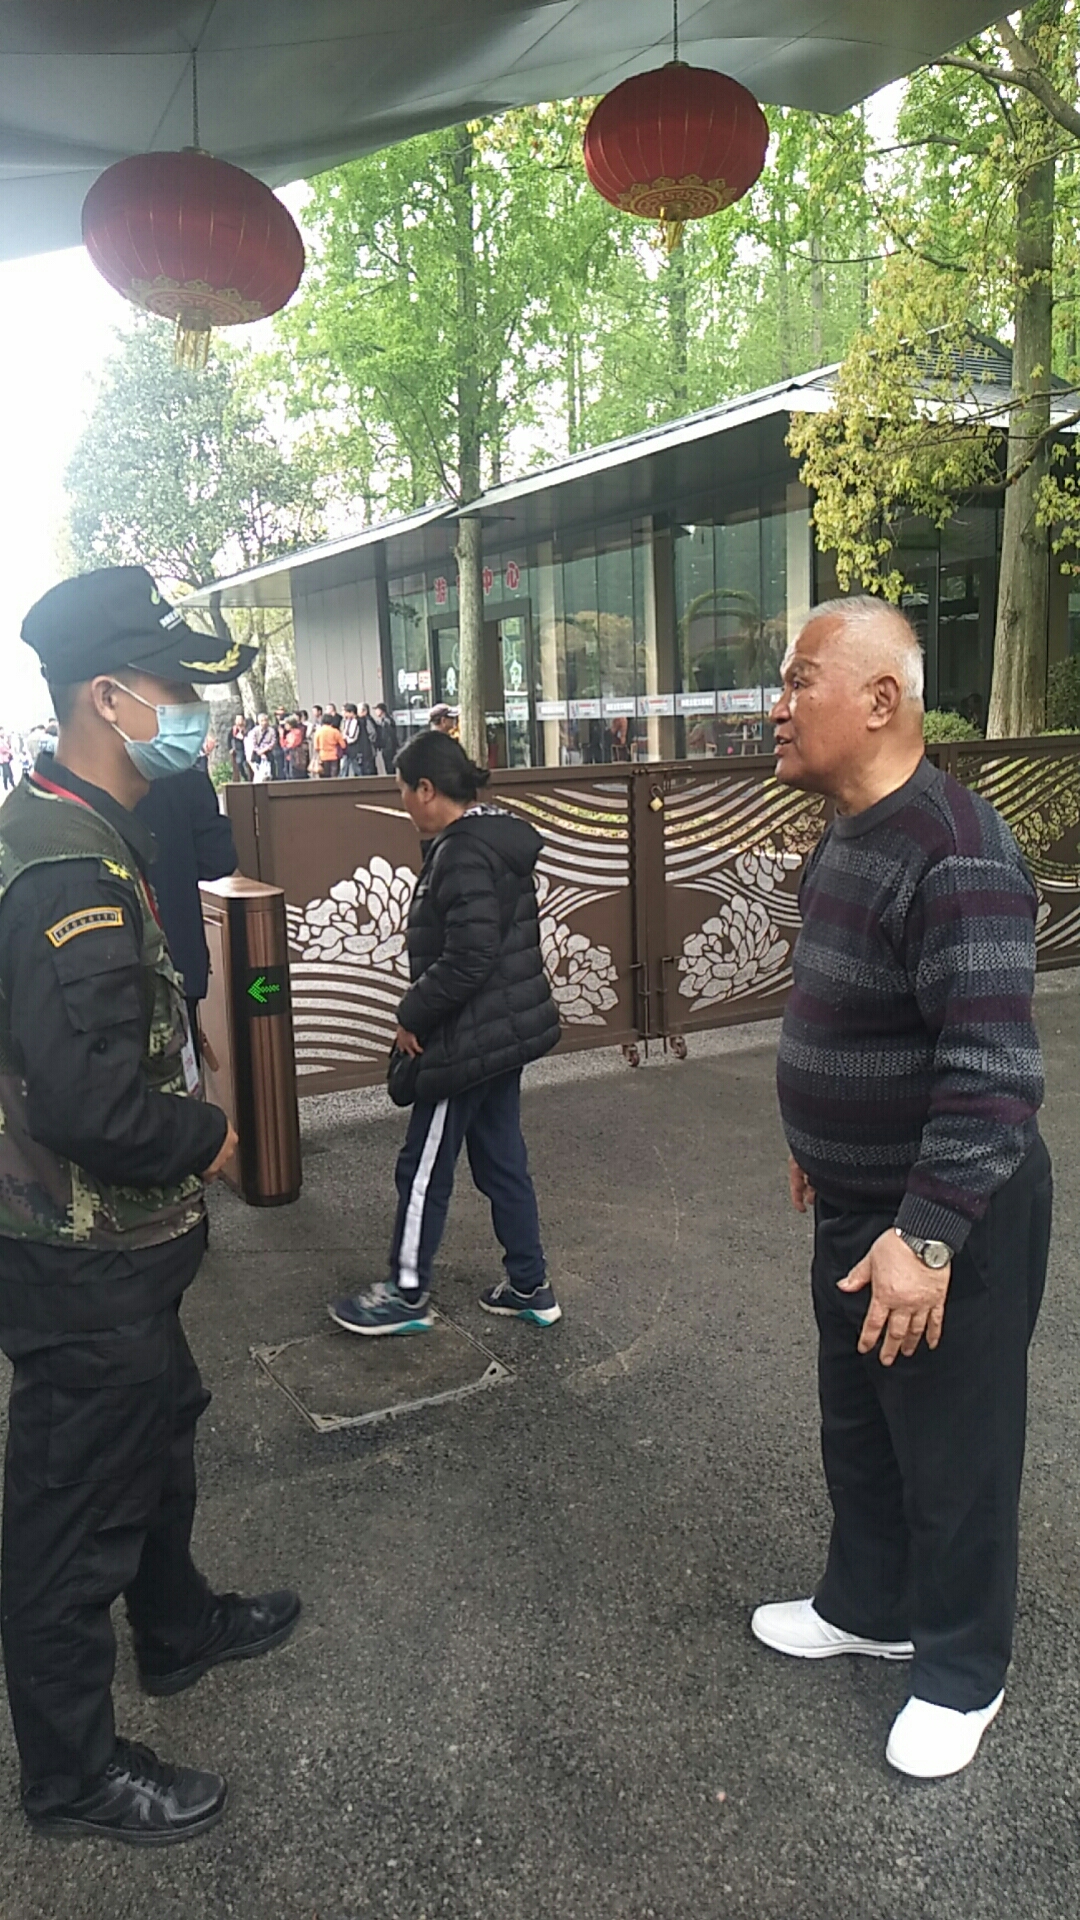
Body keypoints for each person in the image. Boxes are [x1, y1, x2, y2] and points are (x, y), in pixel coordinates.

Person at [0, 567, 301, 1845]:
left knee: (159, 1433)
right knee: (73, 1516)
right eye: (173, 686)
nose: (193, 710)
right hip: (80, 1257)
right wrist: (209, 1133)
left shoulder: (75, 825)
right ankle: (73, 1777)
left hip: (119, 1251)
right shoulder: (64, 871)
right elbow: (88, 1105)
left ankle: (175, 1629)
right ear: (106, 698)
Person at [752, 596, 1052, 1781]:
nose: (777, 707)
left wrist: (925, 1238)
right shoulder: (849, 834)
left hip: (948, 1217)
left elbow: (992, 1074)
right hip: (854, 1199)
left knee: (955, 1451)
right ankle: (868, 1607)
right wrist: (817, 1138)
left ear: (881, 700)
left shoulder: (957, 851)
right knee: (862, 1429)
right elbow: (852, 1008)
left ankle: (963, 1671)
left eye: (799, 681)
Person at [329, 731, 562, 1337]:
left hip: (466, 1038)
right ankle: (530, 1284)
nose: (403, 803)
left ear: (427, 789)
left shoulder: (461, 853)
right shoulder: (495, 839)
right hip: (502, 1032)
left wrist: (413, 1014)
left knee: (423, 1166)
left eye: (404, 791)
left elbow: (469, 955)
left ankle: (406, 1293)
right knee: (501, 1158)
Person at [134, 765, 238, 1063]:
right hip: (178, 955)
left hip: (111, 967)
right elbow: (219, 860)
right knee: (181, 1063)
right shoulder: (185, 780)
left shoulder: (86, 783)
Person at [314, 709, 347, 778]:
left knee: (324, 776)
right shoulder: (335, 731)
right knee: (334, 776)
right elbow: (343, 745)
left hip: (323, 756)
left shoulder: (318, 732)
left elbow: (316, 747)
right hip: (334, 756)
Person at [247, 712, 277, 782]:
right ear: (258, 722)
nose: (264, 722)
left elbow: (273, 742)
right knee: (258, 773)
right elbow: (253, 744)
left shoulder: (271, 731)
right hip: (257, 753)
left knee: (271, 771)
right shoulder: (254, 731)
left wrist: (265, 750)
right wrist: (260, 752)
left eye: (265, 720)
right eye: (262, 721)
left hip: (268, 752)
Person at [282, 713, 310, 780]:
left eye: (286, 724)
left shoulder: (297, 732)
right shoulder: (289, 734)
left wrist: (288, 746)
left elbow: (294, 743)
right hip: (289, 755)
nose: (285, 726)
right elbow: (283, 743)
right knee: (288, 772)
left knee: (294, 773)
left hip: (295, 755)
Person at [374, 702, 398, 771]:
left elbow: (388, 735)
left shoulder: (387, 721)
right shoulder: (385, 720)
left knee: (389, 767)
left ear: (381, 711)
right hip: (387, 747)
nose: (376, 712)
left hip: (388, 748)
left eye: (377, 710)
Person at [228, 713, 250, 781]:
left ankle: (250, 778)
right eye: (237, 719)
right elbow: (229, 739)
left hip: (247, 748)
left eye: (240, 719)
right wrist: (230, 748)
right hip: (239, 750)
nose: (238, 721)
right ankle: (245, 777)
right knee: (239, 762)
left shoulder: (247, 728)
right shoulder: (233, 729)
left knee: (248, 764)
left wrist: (243, 735)